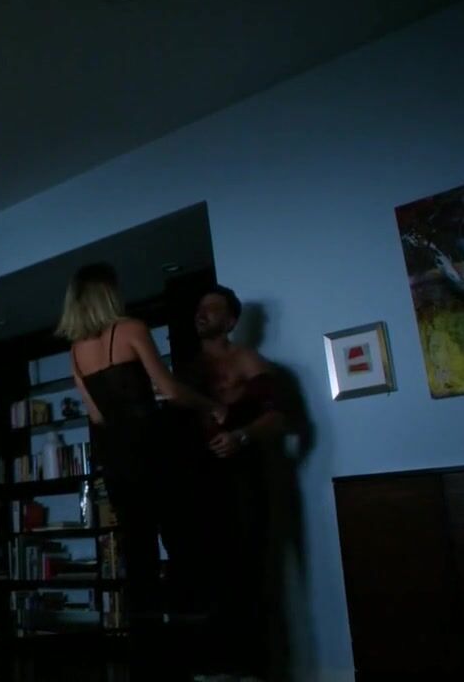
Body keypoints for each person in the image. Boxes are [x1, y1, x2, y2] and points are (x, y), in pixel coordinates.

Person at [56, 263, 226, 628]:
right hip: (154, 446)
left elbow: (97, 415)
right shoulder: (130, 328)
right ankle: (195, 625)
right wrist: (212, 405)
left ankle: (147, 635)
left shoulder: (75, 351)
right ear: (108, 294)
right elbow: (171, 390)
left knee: (137, 544)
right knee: (181, 534)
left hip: (116, 455)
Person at [190, 284, 288, 681]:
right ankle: (215, 666)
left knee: (249, 570)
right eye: (200, 308)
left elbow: (279, 417)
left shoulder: (246, 359)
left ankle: (252, 669)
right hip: (200, 481)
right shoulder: (187, 369)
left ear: (231, 321)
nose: (202, 314)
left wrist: (242, 437)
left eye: (212, 309)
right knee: (207, 573)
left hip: (243, 477)